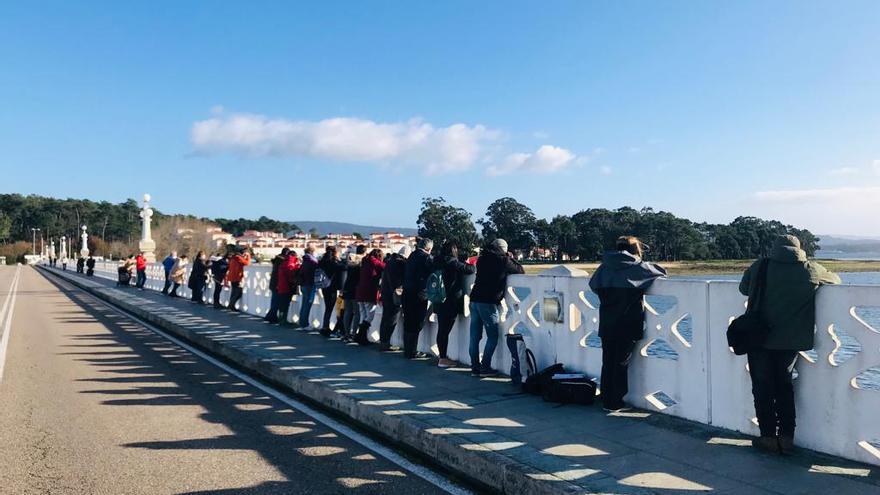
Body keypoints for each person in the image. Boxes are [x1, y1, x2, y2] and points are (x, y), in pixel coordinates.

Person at [738, 234, 840, 454]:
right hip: (790, 340)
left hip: (758, 338)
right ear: (799, 248)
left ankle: (767, 437)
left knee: (762, 388)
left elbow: (744, 289)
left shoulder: (760, 266)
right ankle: (786, 438)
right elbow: (836, 280)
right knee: (784, 387)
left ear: (773, 248)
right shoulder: (810, 269)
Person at [589, 236, 666, 412]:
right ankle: (615, 402)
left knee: (608, 360)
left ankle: (606, 398)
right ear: (635, 249)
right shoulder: (637, 267)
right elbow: (661, 271)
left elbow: (593, 284)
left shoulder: (604, 266)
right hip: (628, 321)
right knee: (621, 362)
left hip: (607, 320)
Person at [468, 239, 524, 376]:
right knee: (493, 336)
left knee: (474, 336)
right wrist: (510, 258)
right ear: (503, 249)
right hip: (488, 302)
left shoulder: (482, 259)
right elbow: (520, 270)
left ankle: (475, 366)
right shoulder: (502, 260)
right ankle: (485, 367)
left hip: (474, 299)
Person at [435, 242, 476, 368]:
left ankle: (441, 356)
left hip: (438, 298)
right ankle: (443, 359)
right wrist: (468, 262)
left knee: (441, 329)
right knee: (444, 331)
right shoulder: (452, 262)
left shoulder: (437, 261)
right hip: (450, 301)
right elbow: (470, 270)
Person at [402, 238, 435, 359]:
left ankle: (408, 350)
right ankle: (412, 351)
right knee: (417, 322)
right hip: (418, 294)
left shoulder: (412, 256)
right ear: (429, 248)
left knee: (408, 322)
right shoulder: (426, 257)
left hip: (407, 293)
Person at [378, 246, 409, 351]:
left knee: (385, 318)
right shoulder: (400, 264)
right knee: (391, 319)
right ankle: (385, 343)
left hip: (385, 294)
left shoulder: (390, 261)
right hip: (394, 295)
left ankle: (383, 341)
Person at [354, 248, 386, 345]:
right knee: (370, 315)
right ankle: (361, 336)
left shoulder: (365, 261)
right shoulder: (375, 262)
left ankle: (361, 337)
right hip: (369, 292)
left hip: (360, 291)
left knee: (363, 315)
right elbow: (386, 267)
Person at [318, 245, 347, 336]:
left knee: (328, 307)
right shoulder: (333, 262)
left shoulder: (323, 261)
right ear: (335, 252)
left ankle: (325, 326)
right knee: (331, 308)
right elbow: (343, 267)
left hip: (324, 286)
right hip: (332, 287)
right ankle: (326, 327)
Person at [341, 245, 365, 342]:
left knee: (347, 311)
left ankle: (346, 333)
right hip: (356, 288)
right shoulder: (361, 263)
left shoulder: (350, 262)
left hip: (347, 287)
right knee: (357, 313)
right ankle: (354, 333)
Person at [264, 248, 291, 323]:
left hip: (273, 283)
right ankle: (271, 317)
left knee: (274, 301)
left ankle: (271, 316)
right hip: (277, 284)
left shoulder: (276, 260)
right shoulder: (282, 261)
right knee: (277, 301)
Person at [275, 249, 301, 325]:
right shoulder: (290, 263)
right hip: (286, 287)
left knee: (282, 305)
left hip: (281, 286)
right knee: (285, 305)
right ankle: (283, 321)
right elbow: (290, 275)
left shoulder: (283, 262)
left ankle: (281, 320)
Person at [297, 244, 320, 329]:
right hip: (310, 285)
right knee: (308, 304)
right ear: (312, 252)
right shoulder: (312, 262)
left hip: (304, 284)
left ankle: (302, 322)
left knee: (304, 304)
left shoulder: (305, 261)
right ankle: (305, 324)